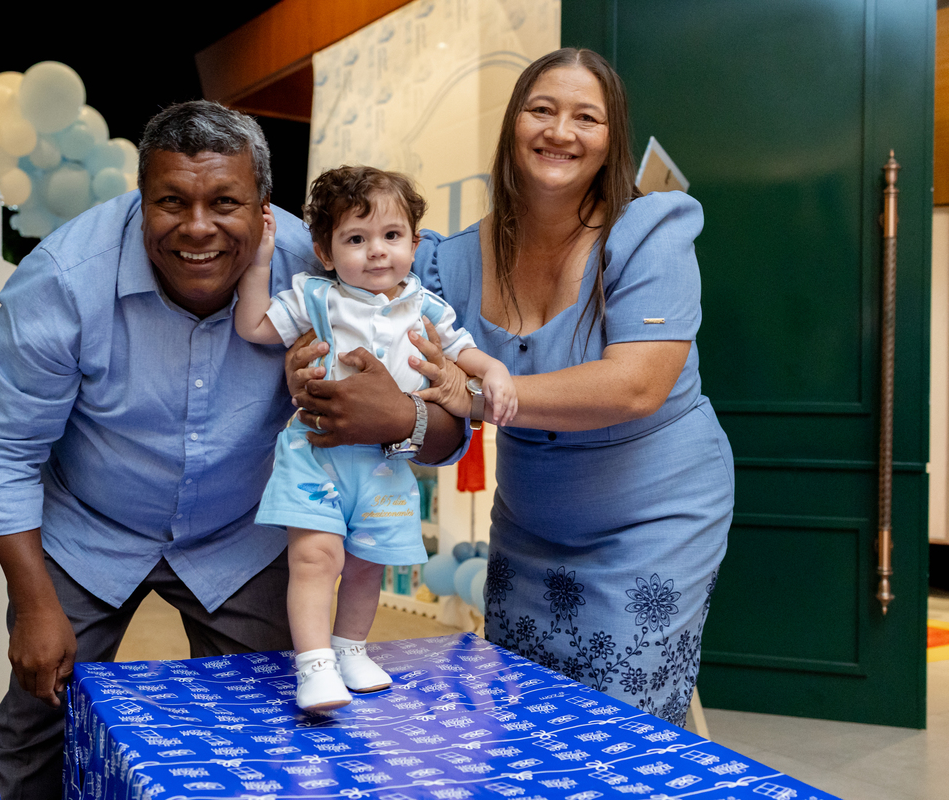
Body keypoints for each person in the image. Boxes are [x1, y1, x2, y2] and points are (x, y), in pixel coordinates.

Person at [0, 102, 466, 798]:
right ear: (142, 199)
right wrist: (34, 605)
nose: (197, 226)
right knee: (36, 724)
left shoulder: (326, 265)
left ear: (264, 206)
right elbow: (2, 450)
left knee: (275, 729)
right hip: (88, 532)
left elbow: (448, 431)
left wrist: (397, 415)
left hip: (243, 534)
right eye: (171, 201)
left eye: (225, 202)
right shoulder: (63, 279)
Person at [314, 49, 735, 727]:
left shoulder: (650, 230)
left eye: (586, 117)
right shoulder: (449, 260)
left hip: (653, 517)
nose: (560, 131)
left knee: (618, 723)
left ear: (612, 138)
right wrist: (387, 405)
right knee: (522, 711)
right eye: (542, 109)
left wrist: (478, 396)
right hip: (529, 523)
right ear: (513, 123)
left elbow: (636, 386)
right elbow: (433, 403)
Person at [235, 166, 515, 711]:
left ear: (414, 243)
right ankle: (314, 665)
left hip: (386, 462)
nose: (377, 251)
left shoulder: (427, 306)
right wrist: (261, 263)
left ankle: (350, 649)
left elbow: (463, 351)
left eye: (391, 235)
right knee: (316, 560)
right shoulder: (317, 297)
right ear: (325, 251)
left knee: (369, 563)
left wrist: (495, 371)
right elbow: (253, 327)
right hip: (318, 454)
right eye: (356, 239)